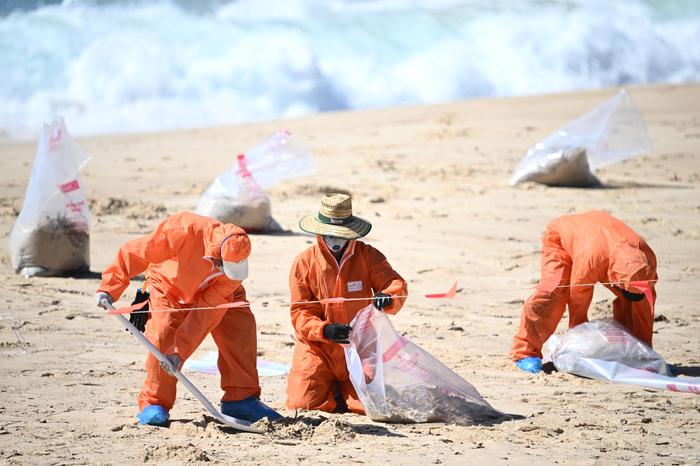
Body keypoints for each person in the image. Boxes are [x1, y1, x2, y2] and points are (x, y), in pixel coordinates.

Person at [95, 211, 281, 425]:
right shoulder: (180, 231)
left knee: (240, 329)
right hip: (168, 288)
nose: (227, 270)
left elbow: (207, 312)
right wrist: (109, 288)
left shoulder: (231, 275)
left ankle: (241, 398)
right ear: (215, 256)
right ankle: (154, 402)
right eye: (224, 266)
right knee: (163, 337)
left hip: (214, 291)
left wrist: (180, 351)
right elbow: (134, 253)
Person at [286, 193, 408, 413]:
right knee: (302, 404)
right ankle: (333, 391)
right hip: (318, 348)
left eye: (340, 234)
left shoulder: (368, 256)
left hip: (359, 346)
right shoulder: (304, 262)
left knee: (371, 407)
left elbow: (395, 284)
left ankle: (343, 392)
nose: (335, 240)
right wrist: (324, 330)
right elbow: (300, 313)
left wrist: (387, 296)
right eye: (329, 234)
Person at [512, 210, 658, 373]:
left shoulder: (647, 257)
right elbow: (578, 295)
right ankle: (524, 352)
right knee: (551, 292)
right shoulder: (593, 259)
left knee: (635, 301)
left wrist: (646, 353)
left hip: (604, 240)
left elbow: (645, 304)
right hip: (563, 239)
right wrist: (578, 339)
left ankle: (634, 354)